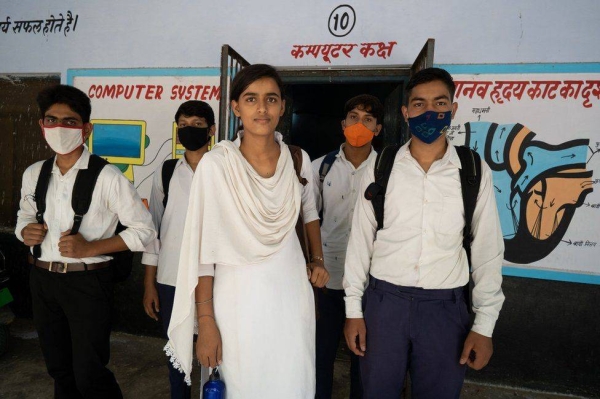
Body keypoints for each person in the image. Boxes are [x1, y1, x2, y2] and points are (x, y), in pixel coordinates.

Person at [165, 64, 329, 398]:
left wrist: (318, 258)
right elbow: (202, 251)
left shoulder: (298, 160)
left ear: (282, 107)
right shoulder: (217, 165)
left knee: (291, 380)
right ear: (236, 107)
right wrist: (206, 320)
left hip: (291, 295)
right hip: (235, 300)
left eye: (271, 99)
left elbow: (309, 211)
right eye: (251, 99)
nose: (262, 108)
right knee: (241, 384)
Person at [343, 68, 505, 398]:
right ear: (405, 113)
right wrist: (353, 311)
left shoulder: (472, 170)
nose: (429, 112)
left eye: (439, 103)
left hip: (445, 310)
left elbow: (488, 249)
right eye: (419, 104)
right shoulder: (382, 166)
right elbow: (360, 242)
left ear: (453, 109)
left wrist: (484, 325)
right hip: (384, 304)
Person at [15, 84, 156, 398]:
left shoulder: (108, 177)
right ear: (41, 126)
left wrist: (90, 248)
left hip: (87, 284)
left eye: (69, 121)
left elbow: (145, 231)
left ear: (86, 128)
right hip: (41, 279)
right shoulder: (34, 173)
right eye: (51, 120)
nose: (59, 128)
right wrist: (25, 231)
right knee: (58, 368)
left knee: (89, 372)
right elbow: (24, 213)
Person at [142, 100, 216, 399]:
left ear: (211, 130)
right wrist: (149, 284)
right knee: (176, 353)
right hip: (171, 278)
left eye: (197, 125)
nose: (190, 130)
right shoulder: (167, 172)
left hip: (216, 278)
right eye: (183, 125)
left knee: (216, 352)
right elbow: (153, 231)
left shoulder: (224, 170)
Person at [311, 94, 383, 399]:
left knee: (364, 359)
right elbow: (308, 221)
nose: (359, 124)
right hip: (328, 280)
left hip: (372, 281)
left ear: (378, 129)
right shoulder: (320, 168)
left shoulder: (388, 169)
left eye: (368, 119)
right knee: (320, 356)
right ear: (343, 125)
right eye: (353, 117)